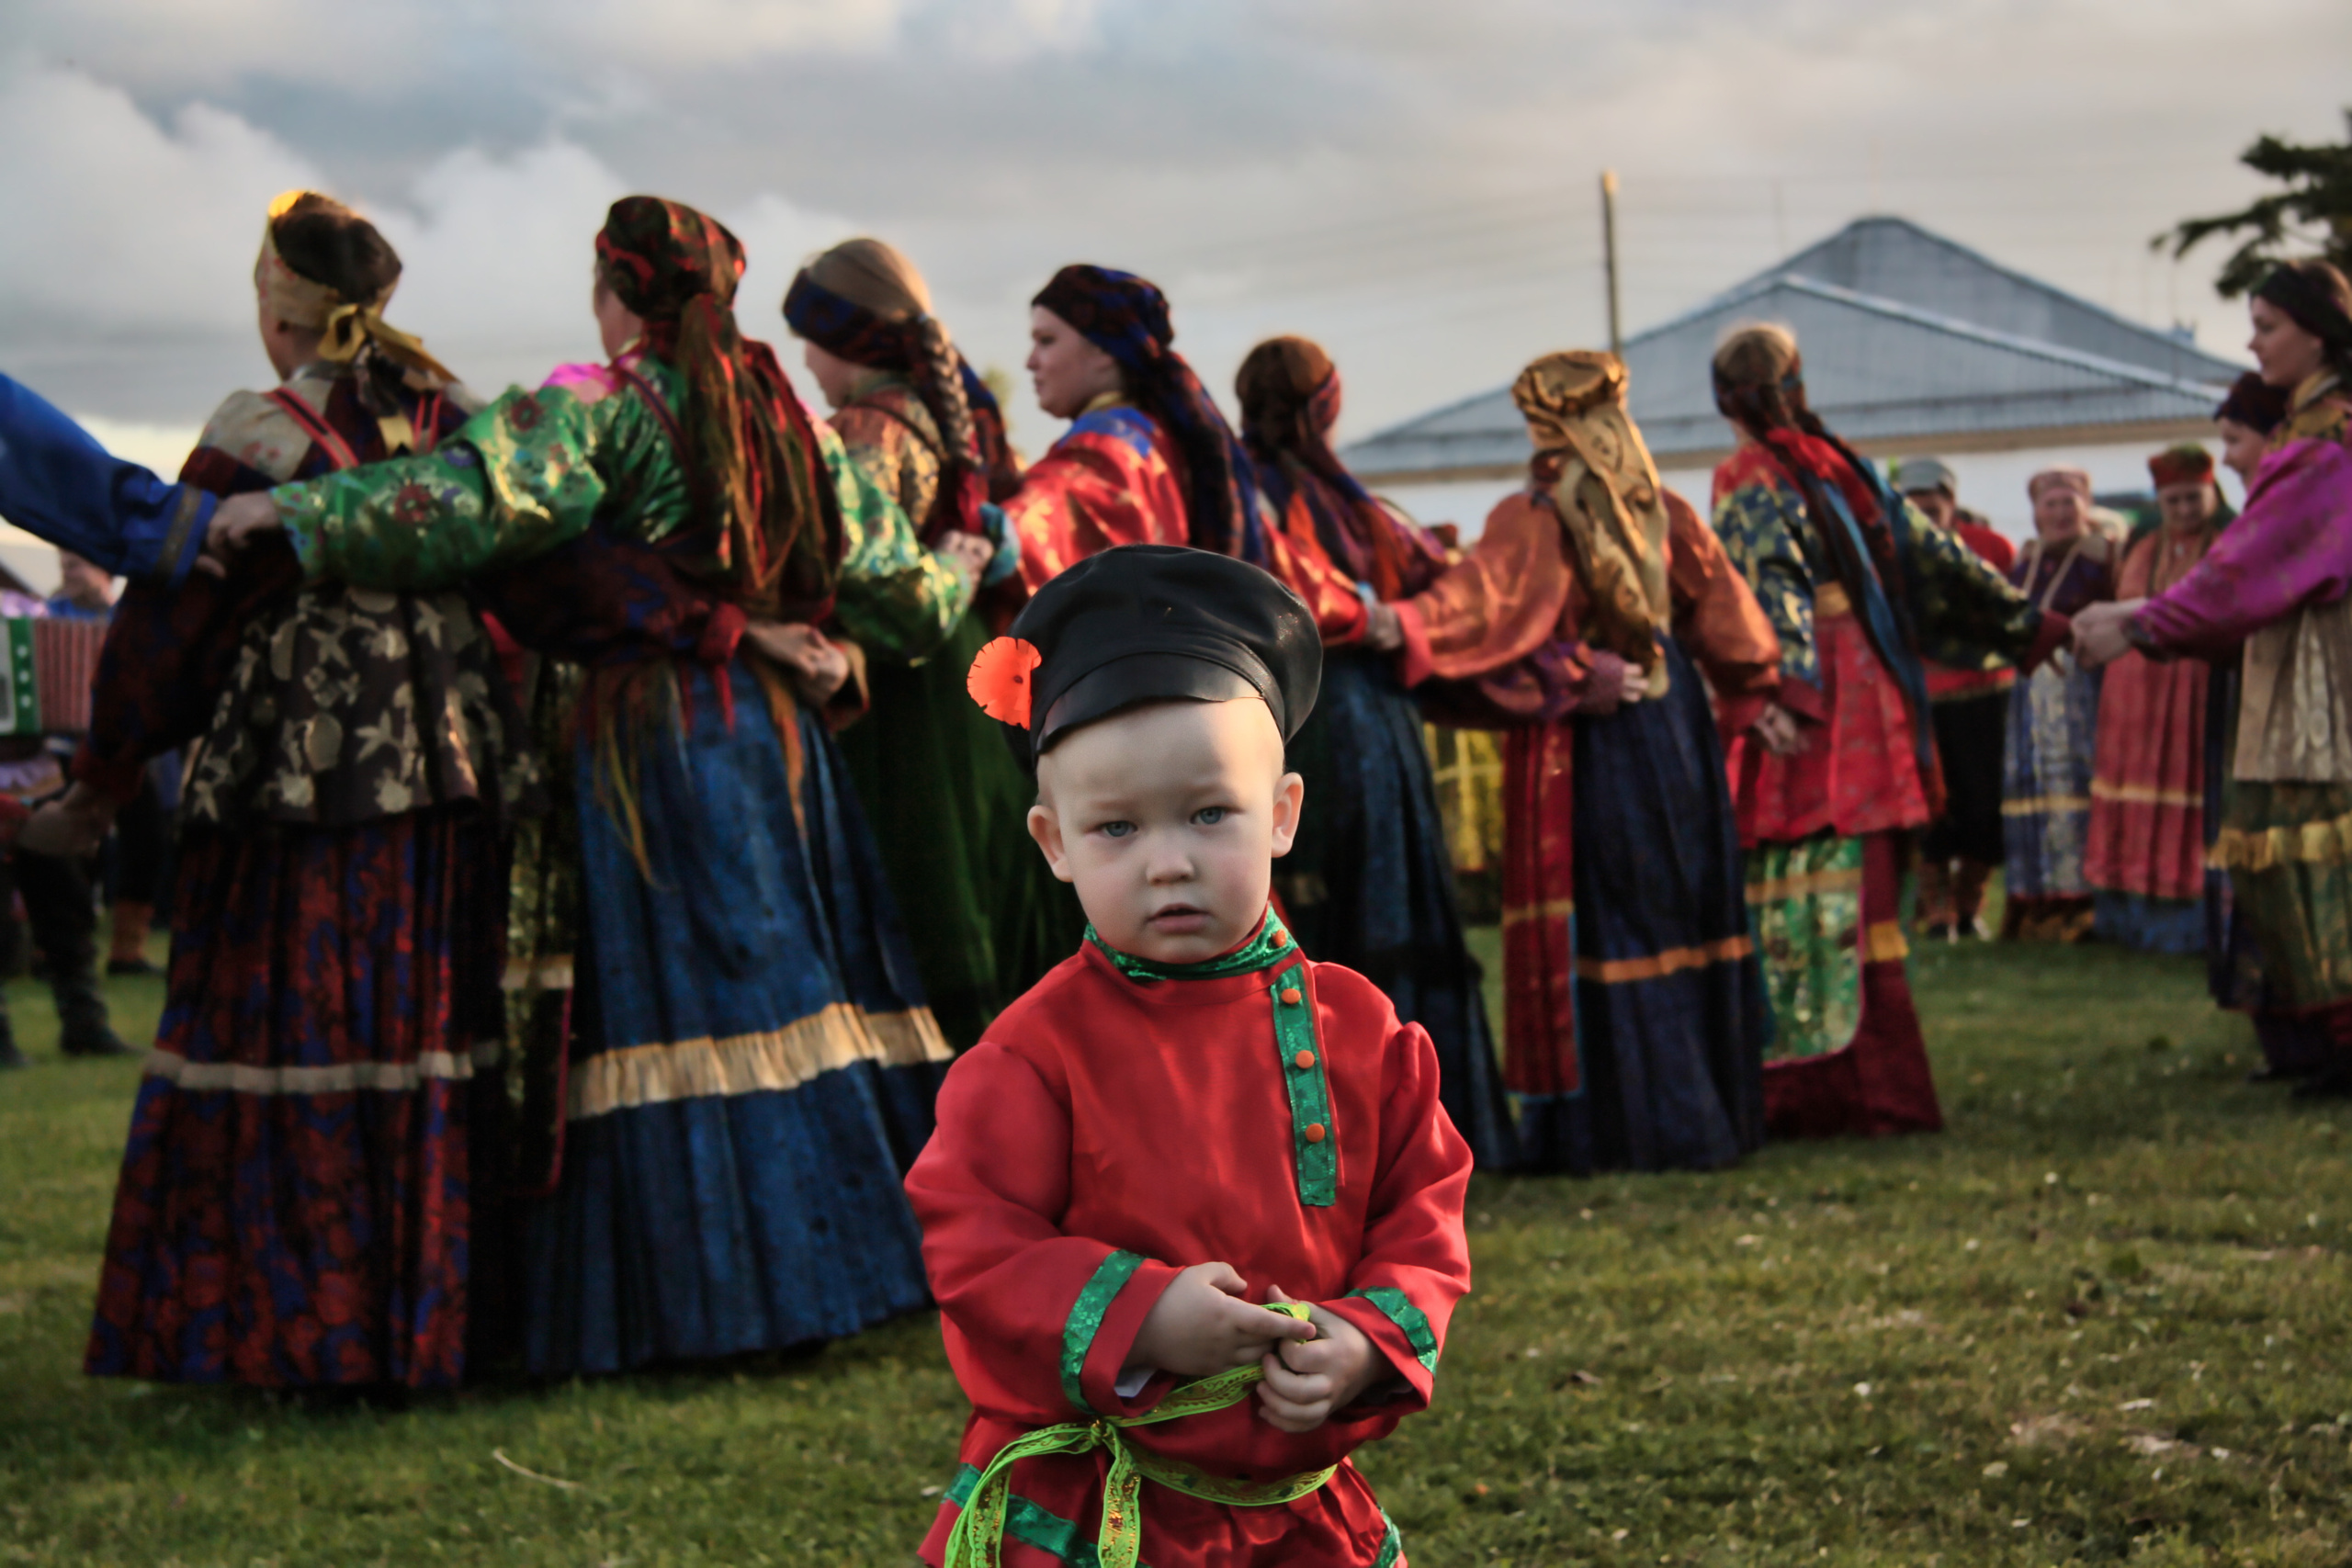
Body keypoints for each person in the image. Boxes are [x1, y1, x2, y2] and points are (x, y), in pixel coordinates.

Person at [207, 196, 969, 1374]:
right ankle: (837, 1278)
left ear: (616, 290)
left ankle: (705, 1308)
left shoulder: (598, 404)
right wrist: (965, 562)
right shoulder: (790, 423)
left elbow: (467, 500)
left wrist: (295, 511)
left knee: (670, 1002)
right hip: (776, 741)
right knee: (785, 987)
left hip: (644, 732)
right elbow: (909, 599)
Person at [907, 544, 1471, 1568]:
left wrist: (1366, 1341)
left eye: (1211, 813)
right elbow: (972, 1245)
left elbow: (1422, 1211)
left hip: (1300, 1518)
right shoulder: (1031, 1054)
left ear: (1283, 814)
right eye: (1116, 827)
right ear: (1054, 843)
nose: (1169, 860)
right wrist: (1141, 1314)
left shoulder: (1364, 1030)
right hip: (1099, 1516)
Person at [38, 190, 517, 1387]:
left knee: (283, 1011)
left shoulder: (258, 433)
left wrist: (100, 781)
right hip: (440, 766)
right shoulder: (457, 420)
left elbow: (170, 626)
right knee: (420, 1019)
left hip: (290, 776)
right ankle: (428, 1315)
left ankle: (285, 1324)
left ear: (283, 303)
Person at [1388, 351, 1780, 1174]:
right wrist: (1753, 692)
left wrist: (1398, 624)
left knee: (1605, 911)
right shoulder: (1661, 509)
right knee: (1674, 901)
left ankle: (1619, 1124)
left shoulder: (1535, 517)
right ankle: (1702, 1112)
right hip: (1673, 727)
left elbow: (1480, 608)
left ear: (1541, 425)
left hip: (1584, 740)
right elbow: (1734, 628)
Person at [1709, 323, 2066, 1139]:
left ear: (1725, 400)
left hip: (1811, 696)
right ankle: (1885, 1086)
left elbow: (1768, 578)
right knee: (1865, 882)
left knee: (1801, 877)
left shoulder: (1747, 475)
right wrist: (2026, 623)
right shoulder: (1837, 461)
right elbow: (1933, 554)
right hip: (1871, 684)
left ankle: (1819, 1087)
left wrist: (1772, 687)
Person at [785, 238, 1084, 1049]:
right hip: (963, 680)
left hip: (897, 692)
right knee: (975, 889)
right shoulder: (950, 427)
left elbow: (852, 576)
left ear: (843, 339)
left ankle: (941, 1132)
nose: (804, 360)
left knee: (920, 899)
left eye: (810, 338)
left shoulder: (859, 435)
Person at [1234, 334, 1516, 1170]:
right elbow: (1407, 584)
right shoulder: (1338, 499)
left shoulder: (1253, 491)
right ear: (1325, 404)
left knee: (1331, 916)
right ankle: (1421, 1129)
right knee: (1383, 906)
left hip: (1298, 711)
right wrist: (1385, 614)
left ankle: (1343, 1137)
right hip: (1359, 714)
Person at [2076, 258, 2352, 1099]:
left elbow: (2252, 563)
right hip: (2294, 673)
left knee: (2315, 859)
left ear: (2317, 330)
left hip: (2326, 687)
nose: (2253, 340)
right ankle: (2314, 1041)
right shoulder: (2312, 428)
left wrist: (2140, 622)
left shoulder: (2329, 438)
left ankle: (2339, 1042)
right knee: (2280, 858)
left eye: (2267, 325)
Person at [1005, 265, 1261, 585]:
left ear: (1103, 350)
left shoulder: (1107, 447)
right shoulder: (1158, 435)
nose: (1030, 362)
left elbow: (1041, 512)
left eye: (1046, 341)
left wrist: (984, 539)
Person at [2084, 446, 2226, 953]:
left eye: (2194, 498)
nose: (2186, 510)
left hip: (2192, 689)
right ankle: (2124, 920)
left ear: (2213, 493)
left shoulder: (2228, 545)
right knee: (2127, 791)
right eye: (2174, 501)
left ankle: (2186, 927)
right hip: (2133, 697)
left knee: (2188, 794)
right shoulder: (2142, 546)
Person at [1891, 458, 2017, 940]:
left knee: (1985, 804)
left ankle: (1971, 902)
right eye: (1914, 506)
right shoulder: (1890, 554)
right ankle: (1937, 907)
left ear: (1950, 501)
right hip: (1922, 694)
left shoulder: (1990, 547)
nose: (1924, 514)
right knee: (1932, 807)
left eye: (1932, 505)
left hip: (1986, 691)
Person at [2000, 468, 2115, 942]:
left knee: (2080, 782)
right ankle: (2036, 903)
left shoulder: (2105, 558)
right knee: (2033, 787)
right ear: (2035, 511)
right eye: (2052, 504)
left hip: (2084, 687)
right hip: (2031, 692)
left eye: (2070, 503)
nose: (2062, 513)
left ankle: (2085, 902)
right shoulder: (2025, 562)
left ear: (2086, 506)